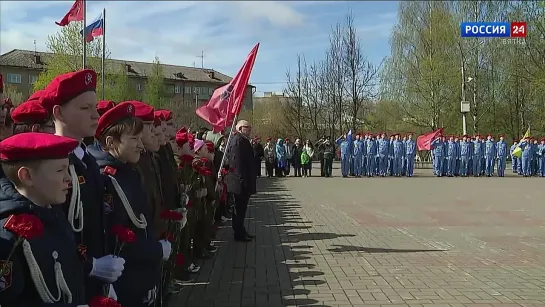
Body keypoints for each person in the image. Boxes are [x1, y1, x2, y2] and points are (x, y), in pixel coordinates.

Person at [39, 69, 123, 299]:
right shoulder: (48, 166)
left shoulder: (86, 158)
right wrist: (91, 267)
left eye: (94, 107)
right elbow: (52, 236)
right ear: (59, 113)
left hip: (96, 284)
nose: (96, 116)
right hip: (68, 286)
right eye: (85, 108)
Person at [88, 102, 170, 307]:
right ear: (110, 142)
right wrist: (156, 251)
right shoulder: (105, 180)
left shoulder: (126, 171)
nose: (141, 146)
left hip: (138, 279)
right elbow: (116, 241)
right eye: (134, 138)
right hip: (123, 284)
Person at [0, 133, 88, 306]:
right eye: (60, 170)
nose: (69, 179)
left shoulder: (53, 212)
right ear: (27, 176)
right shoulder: (10, 234)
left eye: (68, 169)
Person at [226, 120, 256, 242]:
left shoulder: (242, 140)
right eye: (246, 127)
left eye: (250, 127)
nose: (249, 129)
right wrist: (243, 181)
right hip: (240, 183)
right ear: (239, 128)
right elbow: (238, 165)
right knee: (239, 210)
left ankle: (241, 230)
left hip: (243, 181)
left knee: (242, 210)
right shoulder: (238, 141)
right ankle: (239, 233)